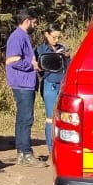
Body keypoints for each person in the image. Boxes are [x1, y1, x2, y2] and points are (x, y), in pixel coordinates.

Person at [4, 8, 40, 164]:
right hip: (22, 84)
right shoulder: (17, 37)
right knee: (26, 118)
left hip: (26, 83)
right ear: (27, 21)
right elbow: (12, 61)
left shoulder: (23, 36)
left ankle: (22, 152)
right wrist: (32, 65)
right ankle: (25, 153)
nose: (36, 25)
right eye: (35, 22)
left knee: (22, 118)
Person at [35, 22, 70, 157]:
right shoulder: (40, 49)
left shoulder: (62, 48)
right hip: (49, 85)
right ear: (46, 34)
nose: (56, 40)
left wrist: (66, 57)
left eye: (58, 37)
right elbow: (39, 68)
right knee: (50, 118)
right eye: (54, 37)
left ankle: (61, 146)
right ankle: (51, 148)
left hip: (61, 84)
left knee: (61, 118)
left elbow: (67, 67)